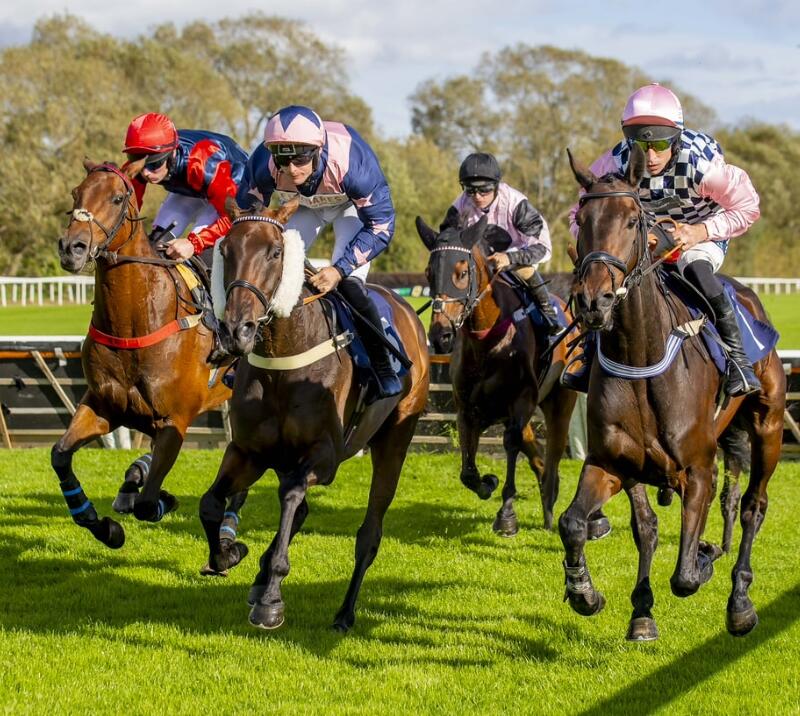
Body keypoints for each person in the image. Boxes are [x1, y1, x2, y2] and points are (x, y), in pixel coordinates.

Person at [565, 83, 762, 397]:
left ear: (676, 138)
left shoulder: (703, 168)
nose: (651, 155)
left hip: (702, 232)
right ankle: (589, 356)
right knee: (605, 280)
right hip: (644, 235)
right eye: (640, 146)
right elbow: (582, 211)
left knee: (696, 268)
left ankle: (739, 361)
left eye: (659, 144)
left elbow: (748, 207)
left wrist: (700, 232)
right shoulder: (612, 164)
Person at [237, 104, 401, 401]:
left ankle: (381, 366)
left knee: (350, 285)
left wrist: (339, 269)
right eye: (282, 160)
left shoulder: (353, 164)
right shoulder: (262, 163)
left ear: (317, 149)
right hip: (301, 205)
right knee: (265, 269)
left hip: (349, 207)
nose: (291, 169)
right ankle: (242, 355)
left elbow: (382, 226)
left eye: (300, 159)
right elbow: (248, 219)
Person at [442, 153, 560, 334]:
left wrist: (509, 258)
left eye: (485, 190)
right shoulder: (460, 206)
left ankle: (548, 315)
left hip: (517, 253)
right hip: (478, 260)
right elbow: (446, 241)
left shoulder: (516, 203)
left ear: (496, 186)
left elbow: (543, 248)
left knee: (524, 270)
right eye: (470, 190)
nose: (477, 196)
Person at [122, 112, 248, 262]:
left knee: (198, 254)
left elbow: (231, 217)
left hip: (231, 193)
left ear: (172, 154)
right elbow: (126, 207)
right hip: (194, 186)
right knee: (156, 244)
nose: (146, 173)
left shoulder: (202, 165)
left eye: (154, 164)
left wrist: (194, 244)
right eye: (140, 165)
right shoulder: (141, 166)